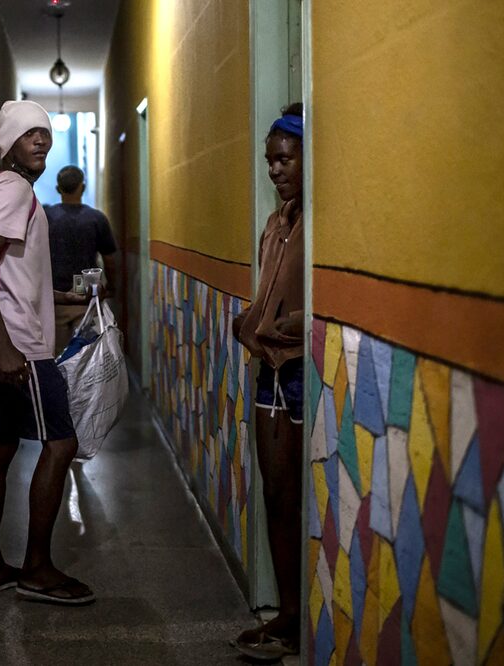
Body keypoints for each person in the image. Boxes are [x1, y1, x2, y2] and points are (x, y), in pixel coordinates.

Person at [0, 100, 94, 606]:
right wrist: (7, 349)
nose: (40, 140)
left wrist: (59, 297)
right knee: (60, 443)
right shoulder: (14, 190)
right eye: (28, 133)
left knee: (2, 445)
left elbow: (8, 275)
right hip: (17, 347)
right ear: (8, 142)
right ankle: (36, 567)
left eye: (45, 132)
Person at [231, 103, 305, 660]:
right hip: (269, 370)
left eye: (285, 159)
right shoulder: (275, 225)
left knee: (303, 495)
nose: (276, 170)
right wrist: (249, 322)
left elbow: (312, 307)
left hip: (304, 369)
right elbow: (265, 297)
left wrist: (292, 324)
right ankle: (287, 615)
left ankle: (302, 616)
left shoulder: (318, 227)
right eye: (270, 161)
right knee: (276, 494)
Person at [45, 166, 118, 355]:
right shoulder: (96, 219)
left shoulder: (46, 218)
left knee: (58, 358)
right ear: (83, 188)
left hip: (54, 302)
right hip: (87, 300)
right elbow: (109, 260)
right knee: (87, 358)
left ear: (57, 189)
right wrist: (111, 287)